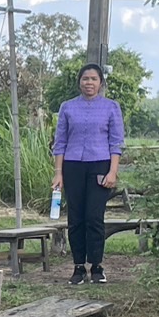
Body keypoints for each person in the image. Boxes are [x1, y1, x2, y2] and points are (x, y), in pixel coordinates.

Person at [51, 62, 125, 284]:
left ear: (101, 82)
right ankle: (78, 266)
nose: (89, 83)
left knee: (94, 217)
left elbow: (116, 142)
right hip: (72, 166)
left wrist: (113, 171)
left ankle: (97, 265)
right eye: (85, 79)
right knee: (76, 218)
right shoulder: (67, 107)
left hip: (100, 165)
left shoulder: (111, 107)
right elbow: (60, 141)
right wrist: (58, 173)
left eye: (93, 79)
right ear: (79, 82)